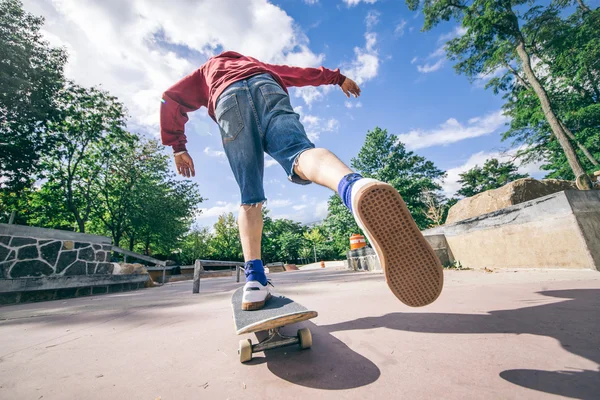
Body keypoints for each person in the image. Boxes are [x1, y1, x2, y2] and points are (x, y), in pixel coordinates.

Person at [160, 51, 443, 311]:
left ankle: (255, 282)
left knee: (250, 198)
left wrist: (178, 146)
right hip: (266, 85)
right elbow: (298, 73)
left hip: (227, 101)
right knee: (300, 153)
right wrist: (337, 78)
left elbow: (170, 97)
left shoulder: (206, 72)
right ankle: (353, 186)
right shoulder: (257, 65)